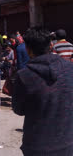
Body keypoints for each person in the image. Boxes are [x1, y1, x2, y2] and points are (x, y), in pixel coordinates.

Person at [12, 27, 73, 155]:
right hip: (67, 142)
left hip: (36, 145)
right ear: (51, 45)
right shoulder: (69, 68)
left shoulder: (24, 75)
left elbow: (19, 109)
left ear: (28, 50)